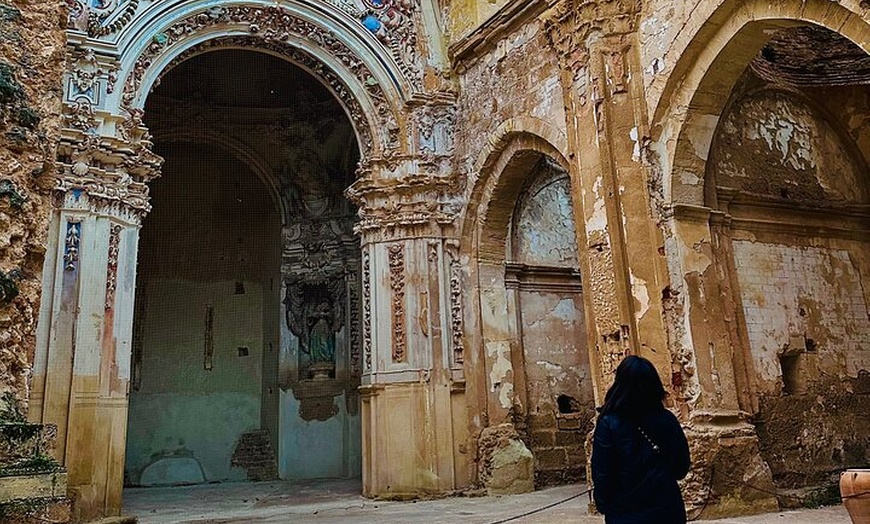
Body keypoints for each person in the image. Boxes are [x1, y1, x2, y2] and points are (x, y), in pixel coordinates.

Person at [591, 355, 691, 524]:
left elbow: (602, 471)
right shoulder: (667, 419)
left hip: (624, 511)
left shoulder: (608, 422)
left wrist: (603, 504)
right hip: (666, 508)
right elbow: (681, 467)